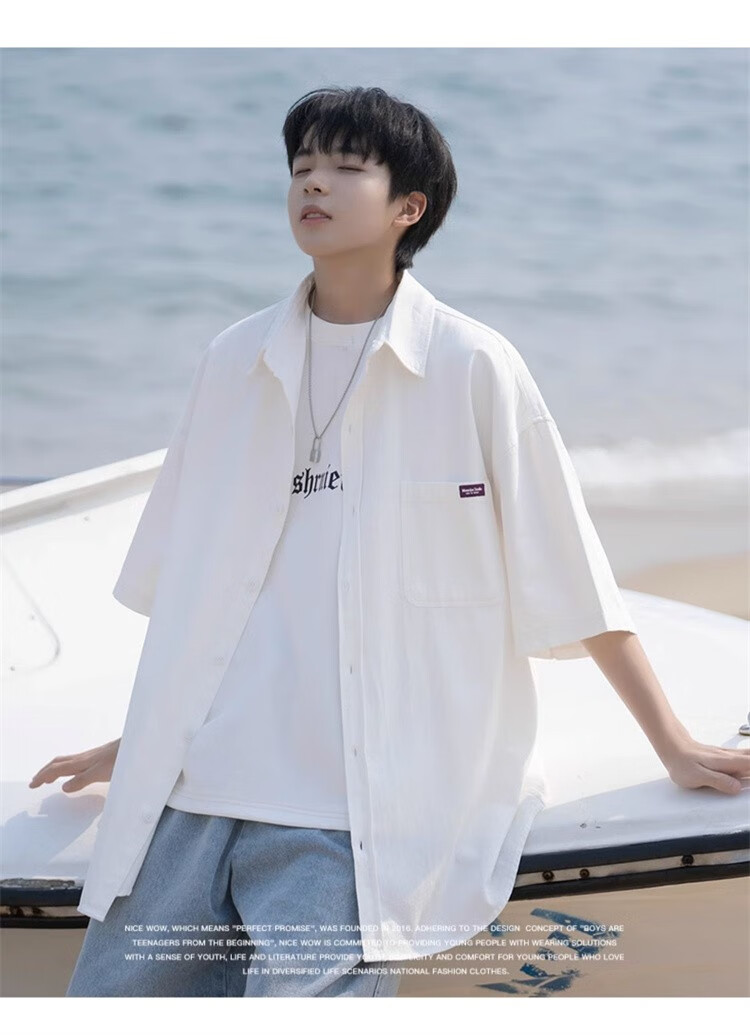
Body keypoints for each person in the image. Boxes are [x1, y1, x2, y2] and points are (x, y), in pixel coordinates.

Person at [29, 85, 750, 998]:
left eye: (344, 167)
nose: (312, 184)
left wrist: (673, 742)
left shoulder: (471, 364)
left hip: (350, 817)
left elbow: (570, 572)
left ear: (410, 207)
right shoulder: (232, 363)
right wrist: (140, 742)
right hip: (196, 797)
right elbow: (198, 596)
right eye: (301, 167)